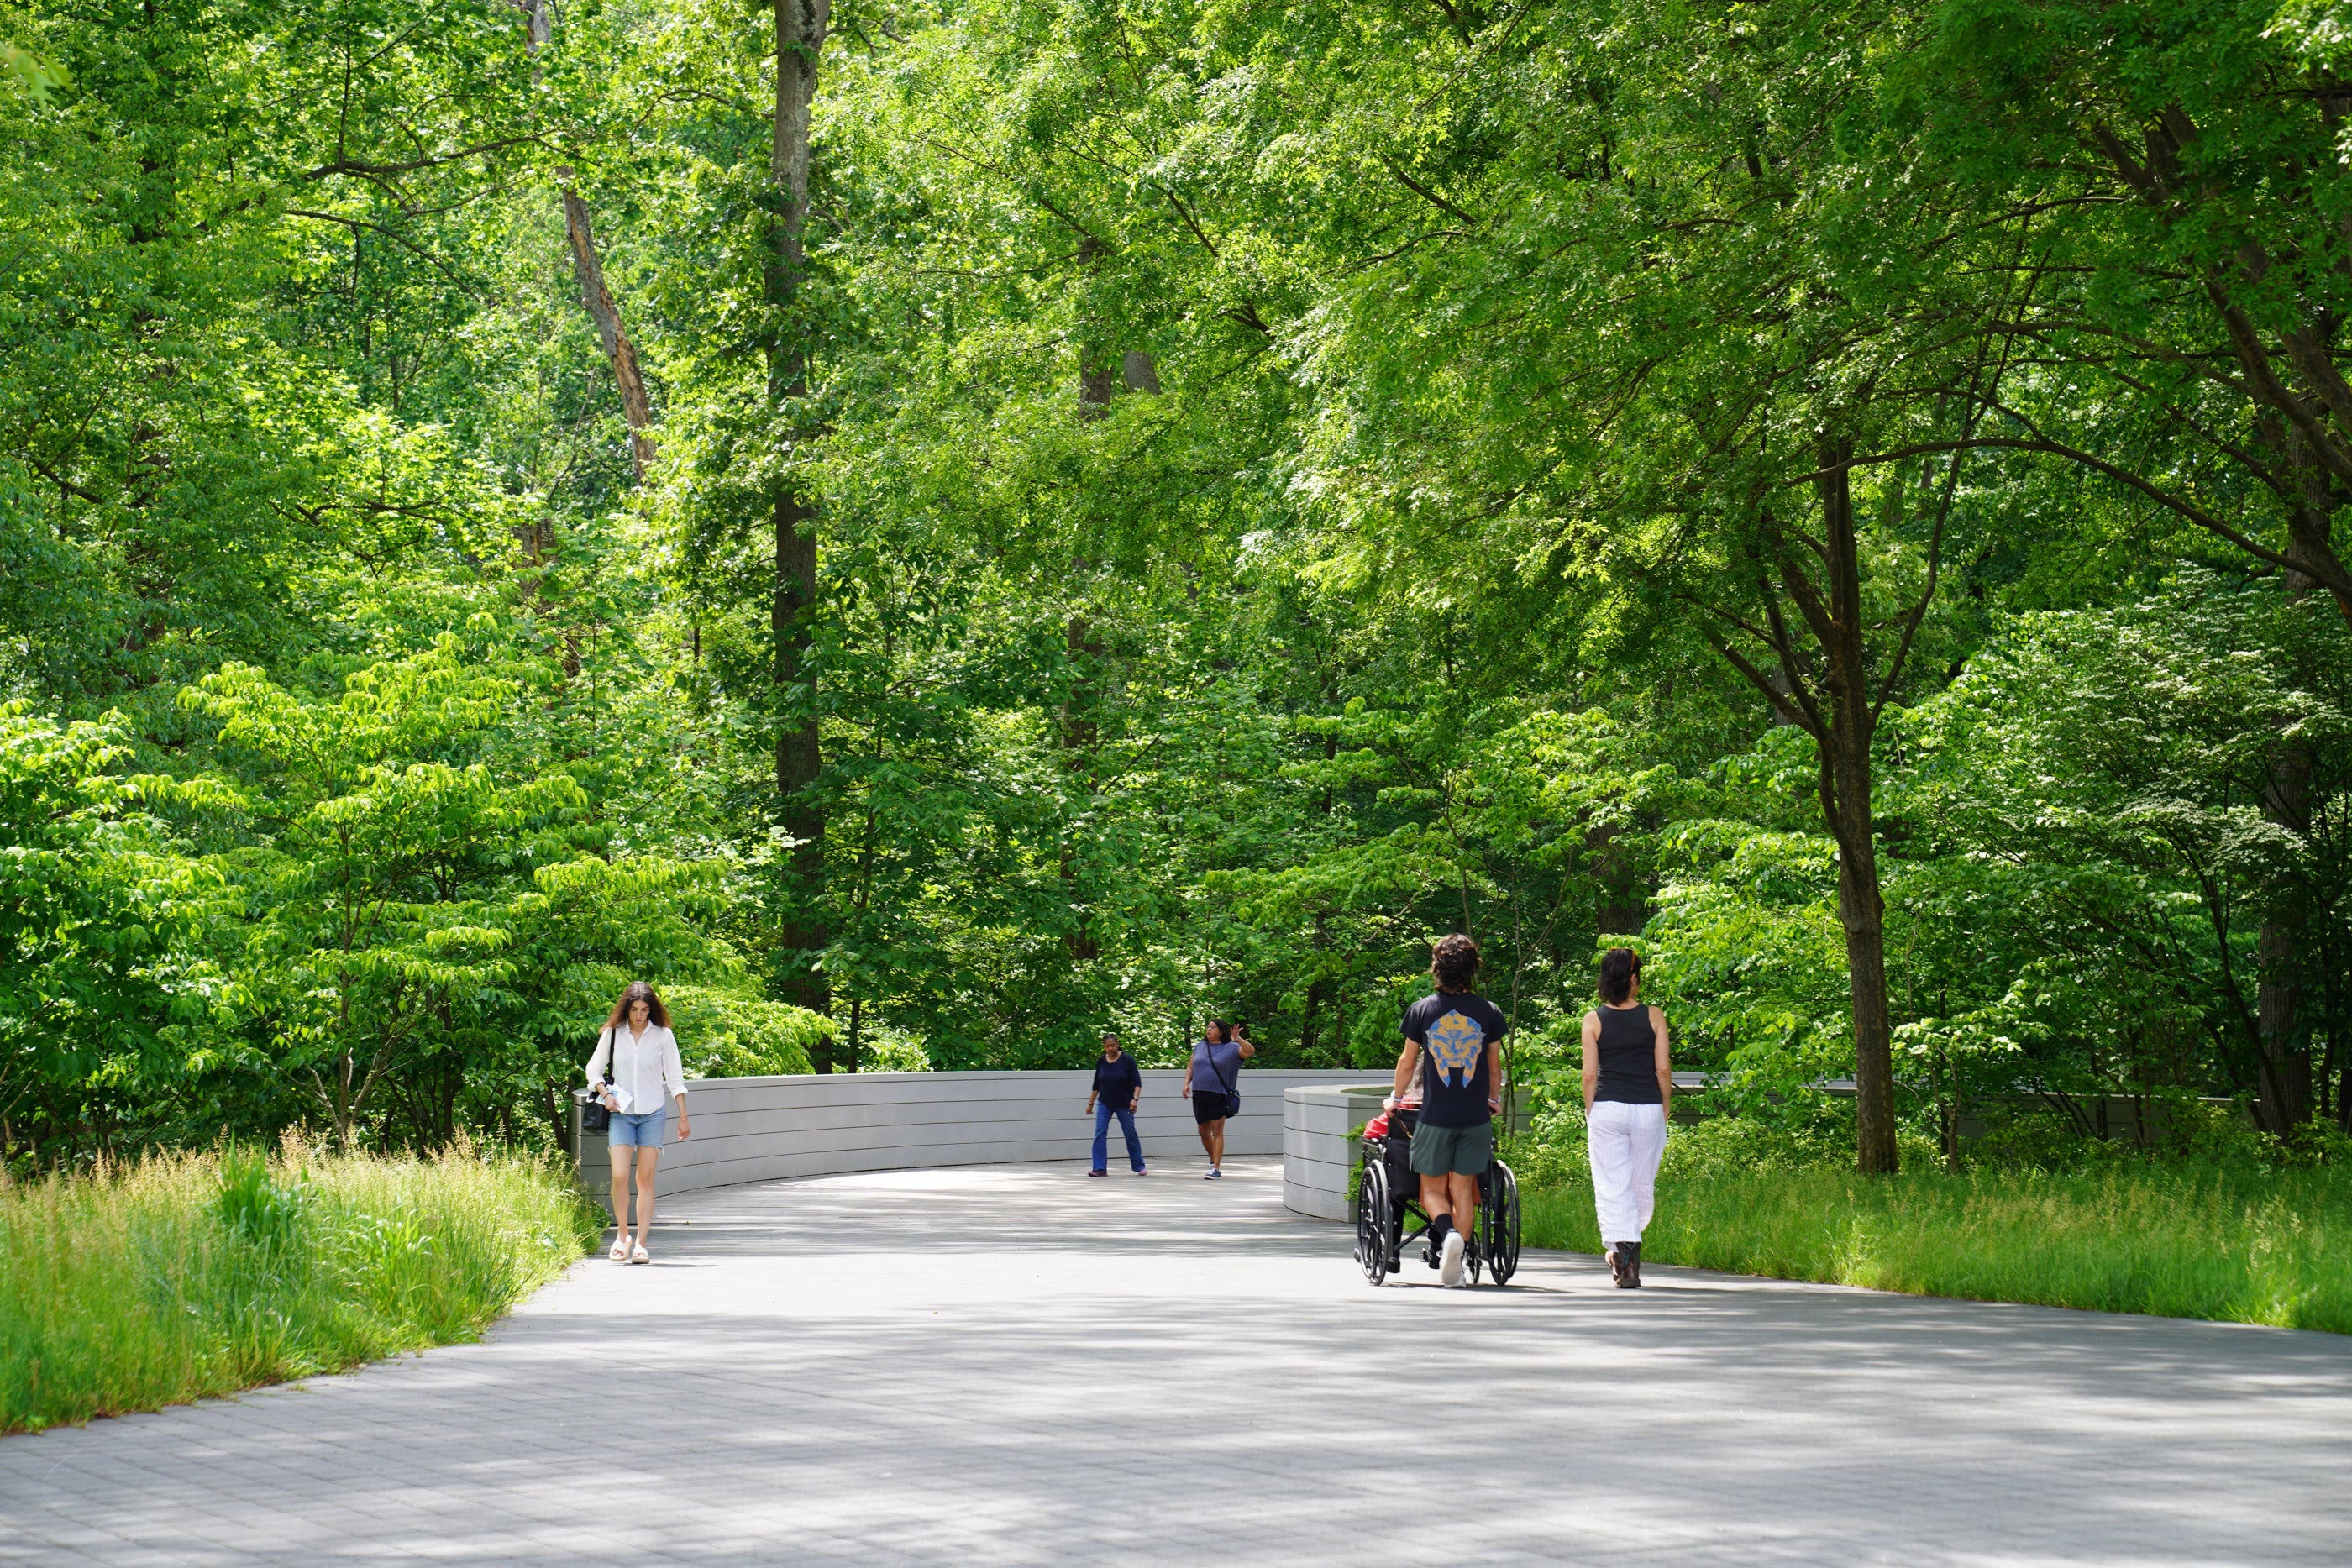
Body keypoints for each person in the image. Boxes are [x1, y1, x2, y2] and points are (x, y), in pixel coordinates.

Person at [1388, 934, 1506, 1287]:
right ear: (1473, 968)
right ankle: (1461, 1250)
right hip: (1475, 1118)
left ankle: (1448, 1232)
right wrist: (1493, 1099)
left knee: (1431, 1191)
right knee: (1464, 1188)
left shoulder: (1422, 1010)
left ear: (1436, 967)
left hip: (1435, 1117)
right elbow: (1494, 1064)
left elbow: (1408, 1062)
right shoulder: (1489, 1012)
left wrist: (1395, 1097)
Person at [1583, 947, 1672, 1288]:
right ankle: (1628, 1255)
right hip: (1647, 1107)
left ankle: (1624, 1258)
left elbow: (1589, 1075)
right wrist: (1664, 1104)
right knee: (1640, 1184)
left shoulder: (1593, 1019)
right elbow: (1662, 1068)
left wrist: (1592, 1109)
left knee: (1612, 1185)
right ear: (1633, 979)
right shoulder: (1654, 1016)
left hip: (1608, 1107)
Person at [585, 980, 690, 1264]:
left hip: (653, 1113)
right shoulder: (613, 1034)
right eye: (634, 1009)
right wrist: (605, 1094)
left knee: (644, 1179)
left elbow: (675, 1078)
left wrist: (683, 1115)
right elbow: (593, 1070)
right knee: (620, 1176)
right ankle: (622, 1235)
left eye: (645, 1010)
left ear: (651, 1010)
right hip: (621, 1113)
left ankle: (642, 1244)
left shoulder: (663, 1036)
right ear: (627, 1009)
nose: (639, 1015)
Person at [1181, 1019, 1254, 1178]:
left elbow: (1249, 1051)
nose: (1208, 1030)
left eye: (1213, 1028)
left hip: (1219, 1093)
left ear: (1221, 1031)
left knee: (1217, 1130)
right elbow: (1191, 1066)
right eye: (1208, 1027)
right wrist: (1186, 1084)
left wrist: (1238, 1039)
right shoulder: (1200, 1046)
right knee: (1202, 1130)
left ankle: (1216, 1168)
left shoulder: (1232, 1048)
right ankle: (1213, 1160)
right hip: (1199, 1093)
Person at [1086, 1032, 1147, 1177]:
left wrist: (1135, 1099)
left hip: (1124, 1103)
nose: (1110, 1048)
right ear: (1104, 1047)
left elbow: (1137, 1082)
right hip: (1104, 1103)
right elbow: (1097, 1084)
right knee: (1100, 1133)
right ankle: (1099, 1168)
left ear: (1118, 1045)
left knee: (1130, 1133)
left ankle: (1139, 1165)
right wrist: (1091, 1103)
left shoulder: (1127, 1059)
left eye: (1113, 1045)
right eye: (1107, 1046)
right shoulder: (1101, 1061)